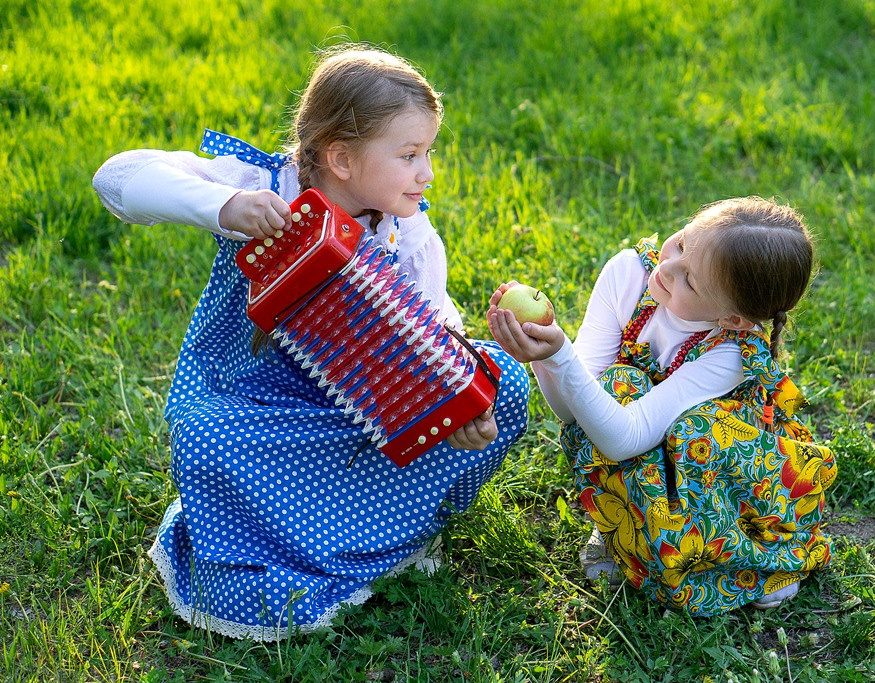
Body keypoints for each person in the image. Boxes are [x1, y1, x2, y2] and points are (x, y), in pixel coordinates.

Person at [92, 44, 529, 640]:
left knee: (502, 385)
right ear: (341, 158)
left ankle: (390, 533)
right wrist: (224, 206)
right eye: (409, 155)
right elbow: (116, 178)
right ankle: (293, 546)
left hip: (363, 407)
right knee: (205, 434)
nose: (427, 173)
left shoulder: (408, 228)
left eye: (427, 152)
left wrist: (457, 405)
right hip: (254, 400)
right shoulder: (265, 184)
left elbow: (436, 324)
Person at [488, 196, 837, 615]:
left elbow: (625, 439)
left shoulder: (729, 352)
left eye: (690, 280)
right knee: (616, 385)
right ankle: (625, 527)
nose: (666, 267)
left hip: (709, 475)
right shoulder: (629, 273)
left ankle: (751, 563)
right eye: (682, 244)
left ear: (734, 320)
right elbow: (575, 413)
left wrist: (559, 356)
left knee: (670, 419)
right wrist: (547, 357)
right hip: (636, 437)